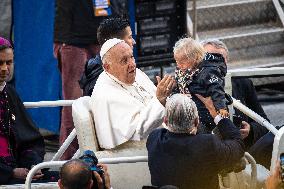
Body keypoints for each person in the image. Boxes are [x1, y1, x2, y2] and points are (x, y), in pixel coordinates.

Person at [53, 0, 123, 160]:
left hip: (102, 36)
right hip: (72, 39)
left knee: (106, 100)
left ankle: (100, 157)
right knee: (74, 106)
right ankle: (68, 163)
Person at [146, 93, 245, 189]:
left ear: (166, 121)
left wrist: (166, 103)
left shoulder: (154, 139)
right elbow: (238, 144)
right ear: (197, 122)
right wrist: (217, 116)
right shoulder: (208, 144)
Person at [91, 38, 175, 149]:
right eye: (124, 61)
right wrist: (159, 100)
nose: (132, 64)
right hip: (139, 151)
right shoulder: (106, 95)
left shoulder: (136, 74)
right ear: (107, 67)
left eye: (131, 57)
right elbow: (138, 132)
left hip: (161, 134)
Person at [201, 39, 273, 169]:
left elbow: (266, 124)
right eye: (210, 59)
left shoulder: (242, 83)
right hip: (210, 157)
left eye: (219, 59)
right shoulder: (192, 88)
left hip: (245, 156)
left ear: (226, 62)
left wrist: (250, 130)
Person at [0, 37, 46, 184]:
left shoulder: (9, 93)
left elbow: (30, 139)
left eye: (9, 62)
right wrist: (10, 172)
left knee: (79, 178)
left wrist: (32, 165)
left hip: (18, 171)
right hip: (5, 175)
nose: (4, 69)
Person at [173, 37, 229, 134]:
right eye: (177, 61)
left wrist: (221, 107)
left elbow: (216, 88)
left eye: (182, 62)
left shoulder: (208, 71)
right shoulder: (184, 73)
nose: (179, 65)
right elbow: (179, 88)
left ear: (194, 58)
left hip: (208, 114)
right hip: (192, 112)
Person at [79, 17, 135, 96]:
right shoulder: (101, 82)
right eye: (129, 37)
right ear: (115, 42)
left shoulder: (95, 69)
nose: (134, 42)